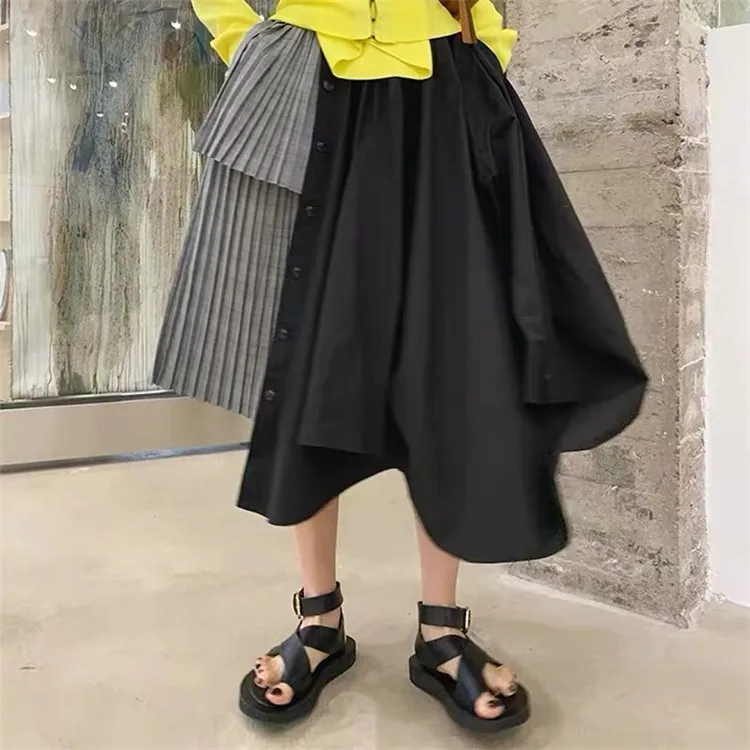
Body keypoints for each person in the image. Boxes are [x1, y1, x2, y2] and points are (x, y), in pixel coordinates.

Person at [153, 0, 647, 734]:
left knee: (453, 359)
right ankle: (319, 619)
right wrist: (247, 40)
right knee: (307, 358)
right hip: (304, 72)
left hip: (441, 85)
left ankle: (441, 628)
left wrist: (484, 47)